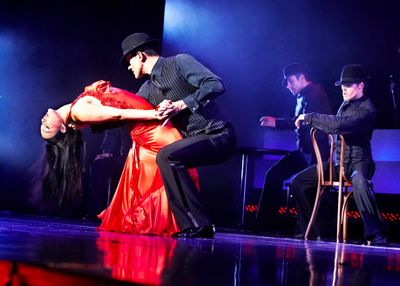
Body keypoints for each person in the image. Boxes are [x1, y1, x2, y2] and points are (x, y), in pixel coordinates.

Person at [38, 80, 198, 235]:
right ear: (63, 129)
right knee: (167, 177)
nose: (42, 120)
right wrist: (155, 113)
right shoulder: (79, 112)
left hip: (149, 129)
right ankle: (184, 222)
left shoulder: (76, 113)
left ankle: (183, 222)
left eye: (43, 125)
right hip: (153, 131)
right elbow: (119, 115)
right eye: (47, 127)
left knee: (163, 179)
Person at [120, 32, 236, 238]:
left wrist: (182, 104)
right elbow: (125, 111)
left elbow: (215, 84)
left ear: (140, 56)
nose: (128, 67)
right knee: (168, 158)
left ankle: (198, 223)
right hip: (194, 140)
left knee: (166, 156)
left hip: (218, 134)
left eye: (129, 61)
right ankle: (194, 224)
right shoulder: (147, 88)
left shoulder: (179, 62)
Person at [293, 64, 387, 245]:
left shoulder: (368, 111)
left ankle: (377, 233)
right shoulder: (345, 105)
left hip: (359, 162)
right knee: (299, 182)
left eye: (349, 85)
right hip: (339, 164)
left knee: (360, 181)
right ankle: (314, 229)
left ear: (361, 86)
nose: (344, 88)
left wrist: (308, 117)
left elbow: (339, 125)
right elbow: (335, 122)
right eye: (343, 84)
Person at [256, 63, 332, 234]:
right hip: (305, 151)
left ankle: (314, 229)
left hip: (316, 152)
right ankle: (265, 225)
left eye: (290, 81)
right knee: (274, 175)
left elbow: (306, 121)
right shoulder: (304, 95)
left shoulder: (315, 93)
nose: (288, 86)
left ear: (301, 78)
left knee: (307, 187)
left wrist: (277, 123)